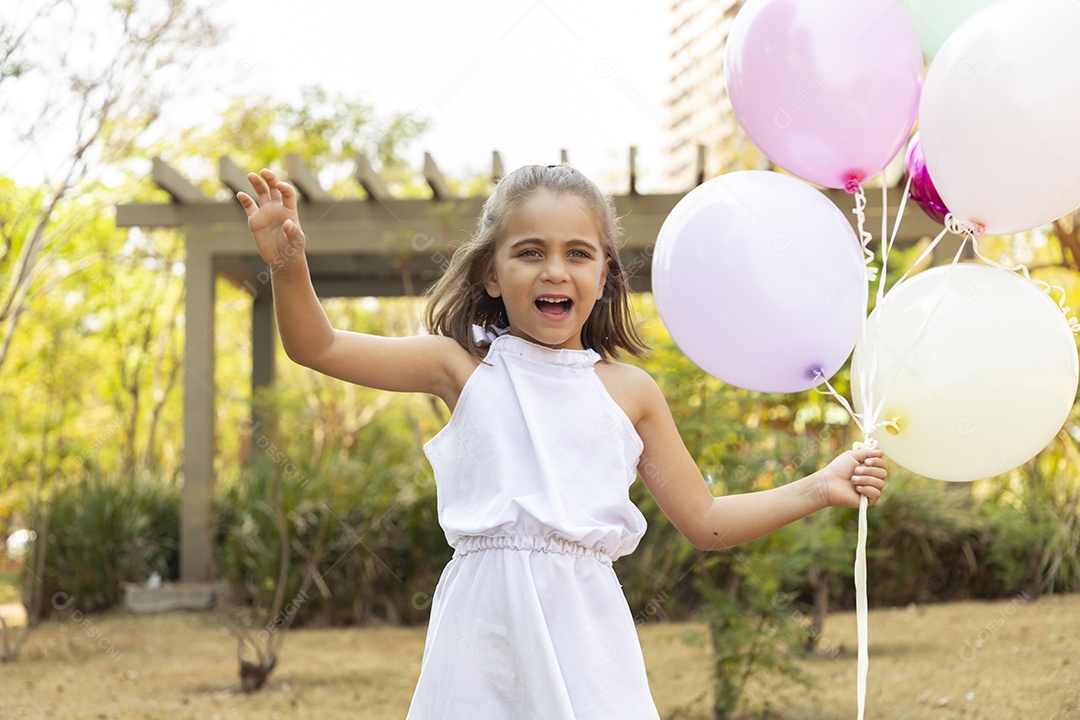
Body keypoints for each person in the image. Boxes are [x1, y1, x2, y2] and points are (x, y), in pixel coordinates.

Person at [236, 164, 887, 719]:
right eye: (529, 252)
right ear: (491, 274)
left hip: (587, 639)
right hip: (484, 634)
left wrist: (820, 486)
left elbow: (707, 522)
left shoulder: (631, 393)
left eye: (578, 253)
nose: (555, 270)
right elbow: (315, 346)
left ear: (605, 275)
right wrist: (289, 266)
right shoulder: (462, 366)